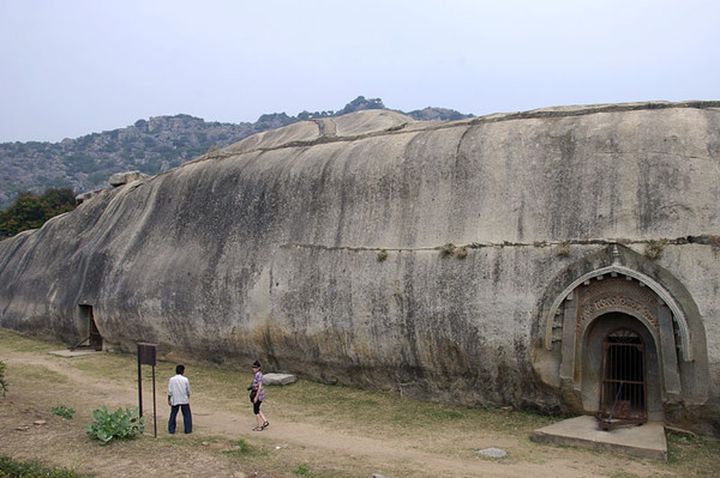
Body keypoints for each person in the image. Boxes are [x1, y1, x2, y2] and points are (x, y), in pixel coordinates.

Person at [168, 364, 192, 434]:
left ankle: (171, 429)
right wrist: (188, 396)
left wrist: (169, 399)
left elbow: (170, 391)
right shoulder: (185, 379)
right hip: (184, 399)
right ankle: (188, 429)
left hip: (175, 399)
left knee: (173, 414)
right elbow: (188, 390)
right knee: (187, 414)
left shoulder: (172, 379)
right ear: (183, 371)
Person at [250, 360, 269, 431]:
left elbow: (260, 386)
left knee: (256, 411)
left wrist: (256, 397)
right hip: (260, 394)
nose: (253, 369)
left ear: (258, 368)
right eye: (253, 367)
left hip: (258, 395)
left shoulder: (258, 375)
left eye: (255, 368)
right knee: (258, 408)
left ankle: (259, 426)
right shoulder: (259, 374)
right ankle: (265, 421)